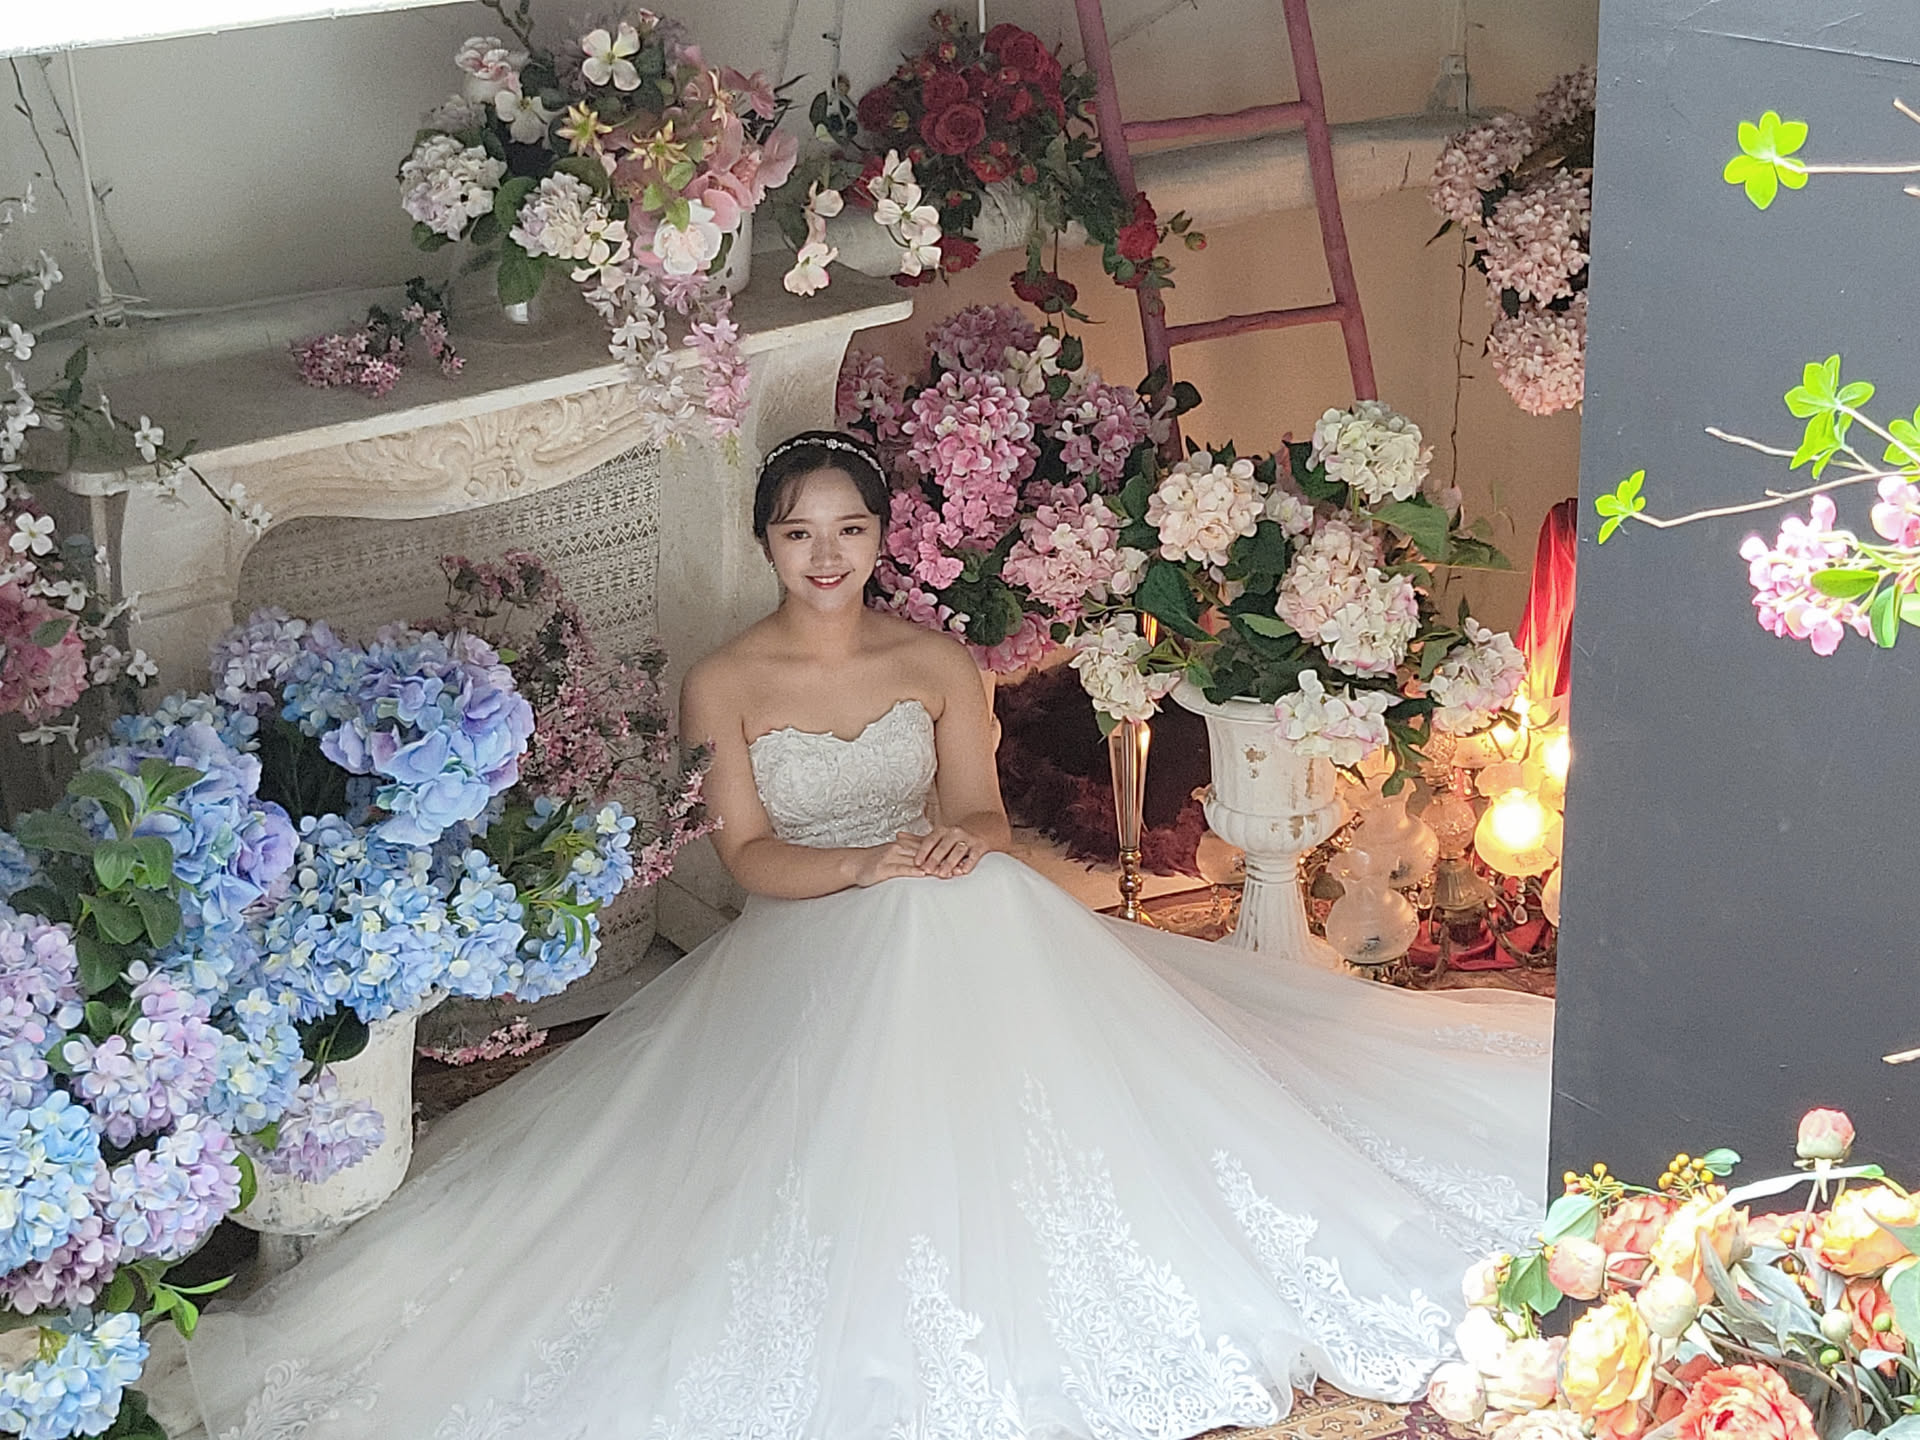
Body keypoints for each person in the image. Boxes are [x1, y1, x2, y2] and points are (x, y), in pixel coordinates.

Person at [188, 431, 1552, 1440]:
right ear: (767, 544)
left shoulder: (932, 662)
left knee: (972, 905)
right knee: (903, 925)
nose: (827, 555)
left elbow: (982, 814)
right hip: (812, 918)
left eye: (849, 530)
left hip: (955, 897)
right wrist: (870, 864)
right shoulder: (724, 679)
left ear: (880, 537)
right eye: (800, 534)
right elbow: (750, 859)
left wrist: (947, 848)